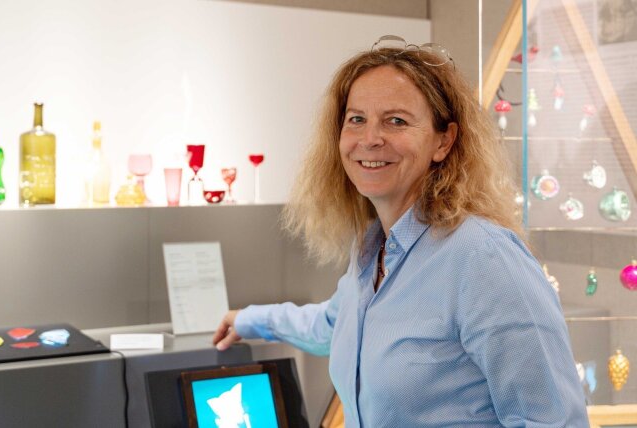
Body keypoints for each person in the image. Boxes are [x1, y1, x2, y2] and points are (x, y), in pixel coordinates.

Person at [212, 35, 589, 427]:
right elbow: (332, 325)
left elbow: (552, 421)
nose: (371, 138)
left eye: (396, 121)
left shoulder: (482, 257)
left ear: (444, 141)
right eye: (357, 119)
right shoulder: (373, 248)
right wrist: (248, 320)